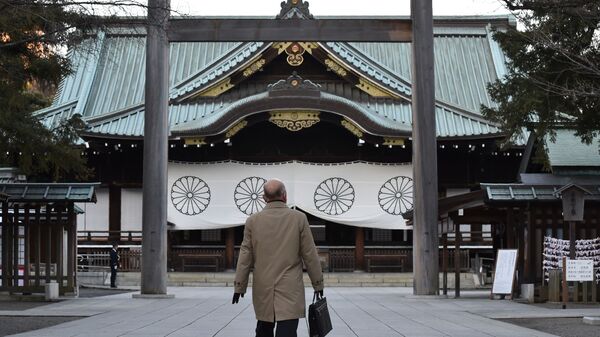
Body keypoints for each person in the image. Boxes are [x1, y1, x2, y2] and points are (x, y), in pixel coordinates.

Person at [233, 179, 324, 337]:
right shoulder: (299, 218)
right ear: (285, 196)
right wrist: (318, 283)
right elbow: (309, 254)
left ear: (264, 197)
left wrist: (239, 285)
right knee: (287, 332)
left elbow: (245, 254)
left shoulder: (252, 221)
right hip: (290, 286)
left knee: (264, 329)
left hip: (263, 287)